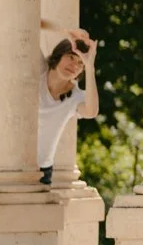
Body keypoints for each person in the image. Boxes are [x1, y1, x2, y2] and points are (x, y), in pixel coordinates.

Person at [38, 34, 99, 184]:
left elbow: (91, 112)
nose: (75, 65)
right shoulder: (39, 70)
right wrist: (66, 31)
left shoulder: (75, 97)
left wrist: (90, 66)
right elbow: (33, 25)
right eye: (71, 57)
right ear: (59, 54)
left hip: (42, 170)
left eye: (81, 63)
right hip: (12, 163)